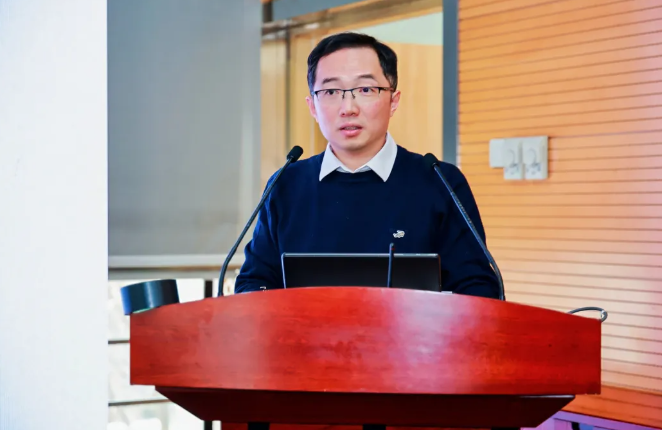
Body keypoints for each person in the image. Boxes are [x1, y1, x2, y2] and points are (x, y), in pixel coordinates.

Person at [234, 31, 499, 298]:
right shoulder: (285, 184)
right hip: (303, 328)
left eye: (365, 90)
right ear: (312, 106)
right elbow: (253, 282)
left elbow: (479, 289)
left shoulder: (440, 182)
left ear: (393, 101)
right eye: (331, 91)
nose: (348, 108)